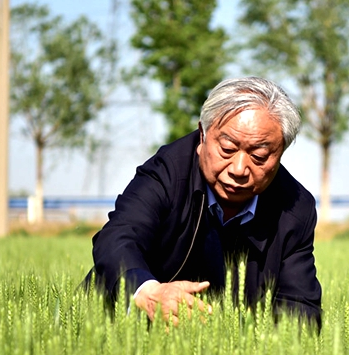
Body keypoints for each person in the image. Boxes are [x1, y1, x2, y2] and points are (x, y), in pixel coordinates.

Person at [85, 76, 321, 328]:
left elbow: (300, 307)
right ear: (202, 135)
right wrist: (148, 292)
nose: (239, 169)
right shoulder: (169, 171)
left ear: (281, 152)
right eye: (228, 149)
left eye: (259, 155)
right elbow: (118, 237)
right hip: (121, 331)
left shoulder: (295, 208)